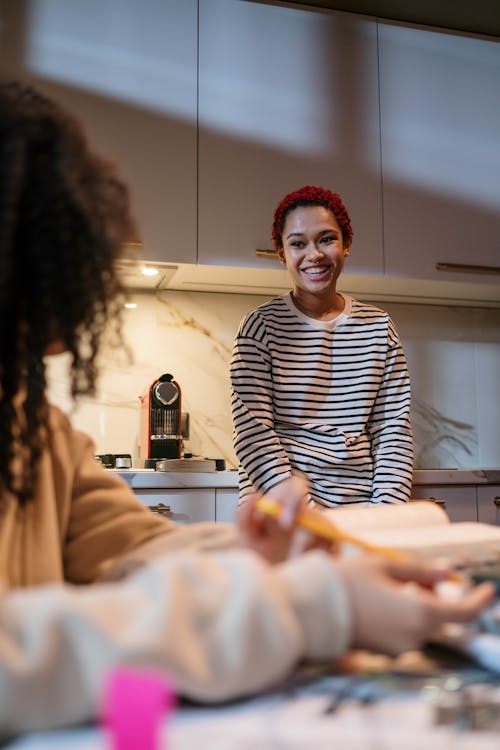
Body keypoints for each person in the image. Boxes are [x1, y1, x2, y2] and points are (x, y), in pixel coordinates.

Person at [0, 80, 494, 735]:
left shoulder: (40, 435)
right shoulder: (261, 329)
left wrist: (314, 558)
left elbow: (144, 547)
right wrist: (316, 604)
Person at [231, 185, 413, 509]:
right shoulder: (260, 328)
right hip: (281, 513)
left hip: (360, 513)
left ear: (347, 245)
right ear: (281, 253)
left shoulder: (379, 328)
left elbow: (393, 433)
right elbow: (254, 436)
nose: (314, 254)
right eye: (298, 243)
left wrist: (384, 516)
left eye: (327, 239)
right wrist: (309, 519)